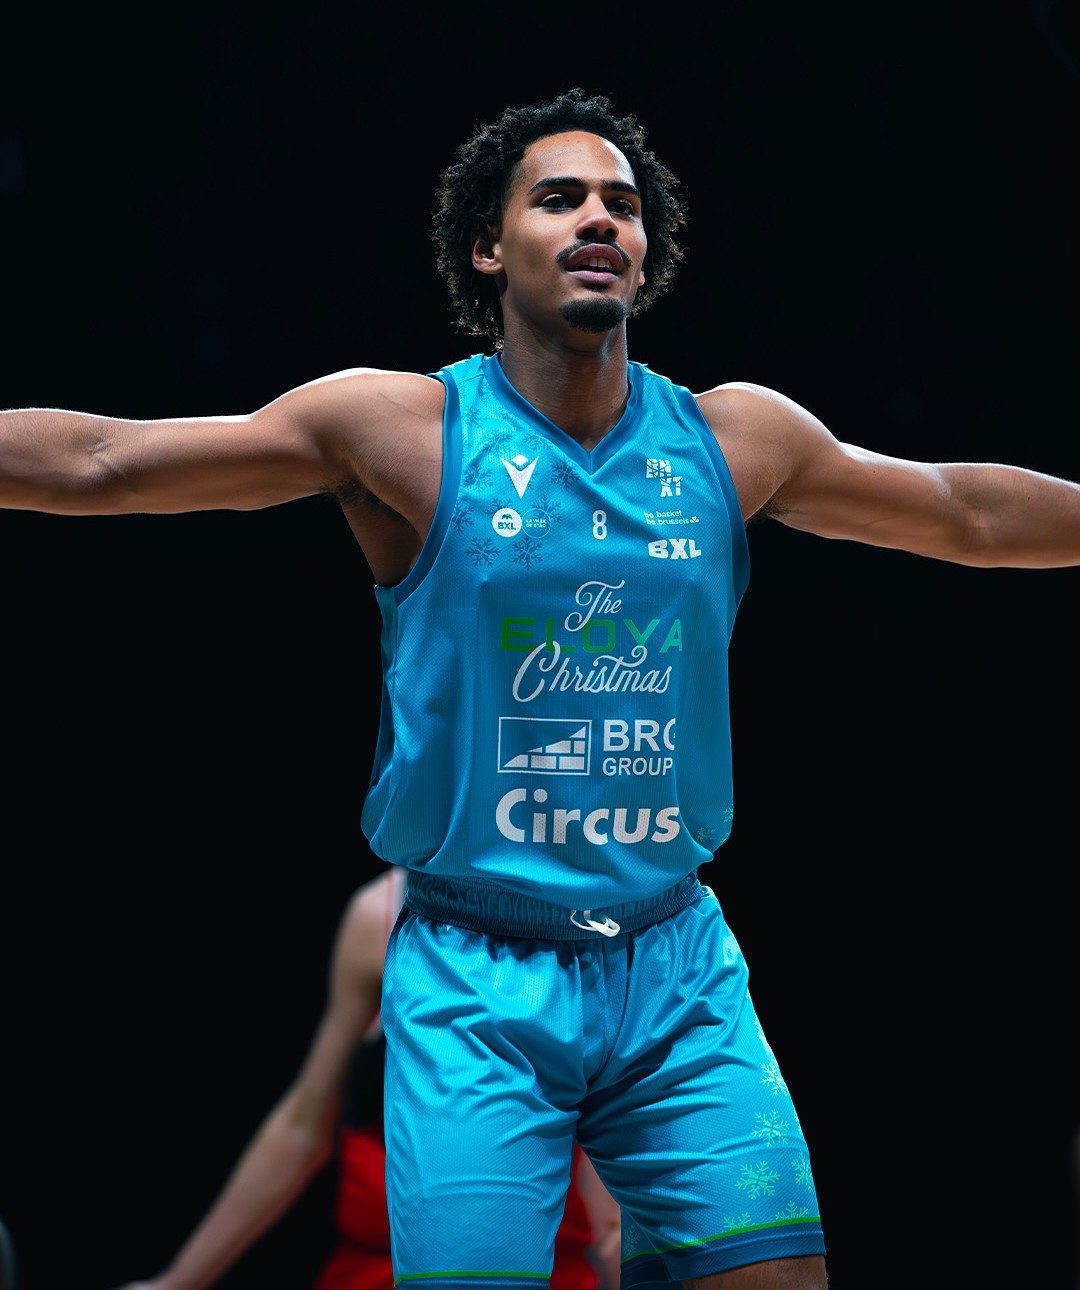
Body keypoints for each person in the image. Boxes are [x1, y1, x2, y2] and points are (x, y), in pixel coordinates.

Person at [3, 85, 1080, 1290]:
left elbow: (966, 512)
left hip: (676, 965)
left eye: (622, 204)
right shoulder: (402, 430)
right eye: (560, 198)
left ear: (646, 253)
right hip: (475, 974)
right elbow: (106, 459)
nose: (598, 219)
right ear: (489, 246)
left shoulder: (735, 441)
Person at [108, 868, 621, 1290]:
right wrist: (175, 1284)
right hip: (373, 1268)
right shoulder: (383, 912)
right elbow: (303, 1125)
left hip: (538, 1269)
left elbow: (614, 1168)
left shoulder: (605, 913)